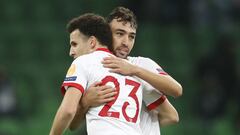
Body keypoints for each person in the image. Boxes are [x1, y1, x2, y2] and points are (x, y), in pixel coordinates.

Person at [69, 7, 182, 135]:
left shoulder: (140, 65)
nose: (126, 42)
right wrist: (84, 103)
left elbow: (177, 91)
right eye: (119, 33)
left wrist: (134, 70)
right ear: (106, 33)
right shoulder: (94, 68)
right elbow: (73, 125)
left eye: (131, 36)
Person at [50, 13, 146, 135]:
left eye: (74, 44)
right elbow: (73, 125)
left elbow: (68, 111)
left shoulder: (83, 62)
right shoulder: (131, 70)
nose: (71, 52)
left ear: (92, 42)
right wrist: (84, 103)